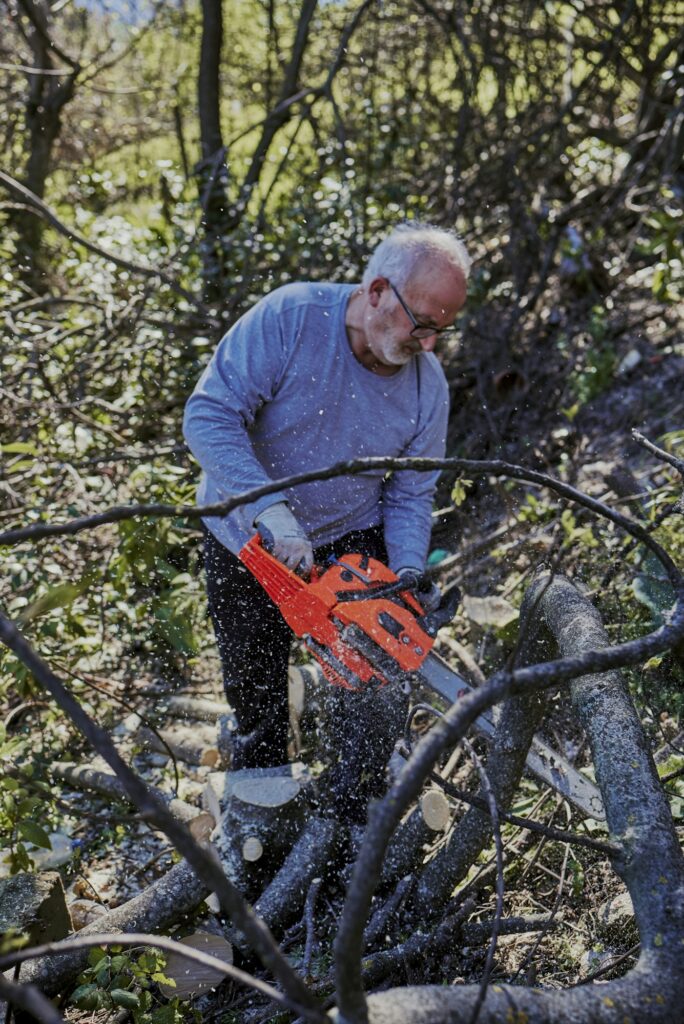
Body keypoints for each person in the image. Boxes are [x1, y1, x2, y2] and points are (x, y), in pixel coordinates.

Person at [183, 222, 470, 815]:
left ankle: (351, 821)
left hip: (350, 536)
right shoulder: (291, 318)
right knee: (257, 695)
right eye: (422, 324)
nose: (430, 344)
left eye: (442, 329)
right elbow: (209, 416)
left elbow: (411, 494)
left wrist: (407, 573)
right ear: (376, 291)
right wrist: (270, 508)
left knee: (370, 692)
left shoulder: (428, 389)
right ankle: (258, 839)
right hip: (245, 534)